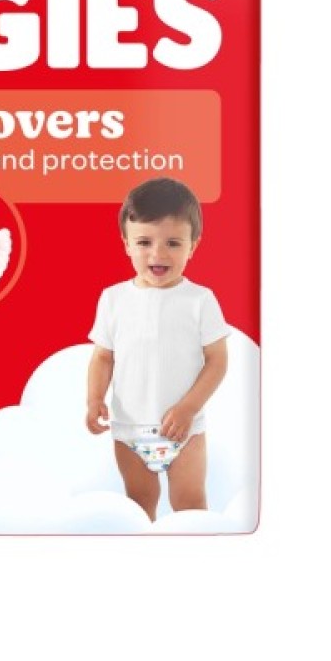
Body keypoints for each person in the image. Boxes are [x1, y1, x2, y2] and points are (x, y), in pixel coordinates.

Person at [85, 178, 229, 521]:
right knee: (138, 507)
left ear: (193, 245)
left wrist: (188, 407)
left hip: (184, 430)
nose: (158, 254)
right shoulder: (113, 299)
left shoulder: (199, 300)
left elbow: (217, 360)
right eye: (144, 242)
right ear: (127, 244)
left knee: (190, 505)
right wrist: (94, 399)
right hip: (129, 429)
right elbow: (103, 357)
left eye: (173, 243)